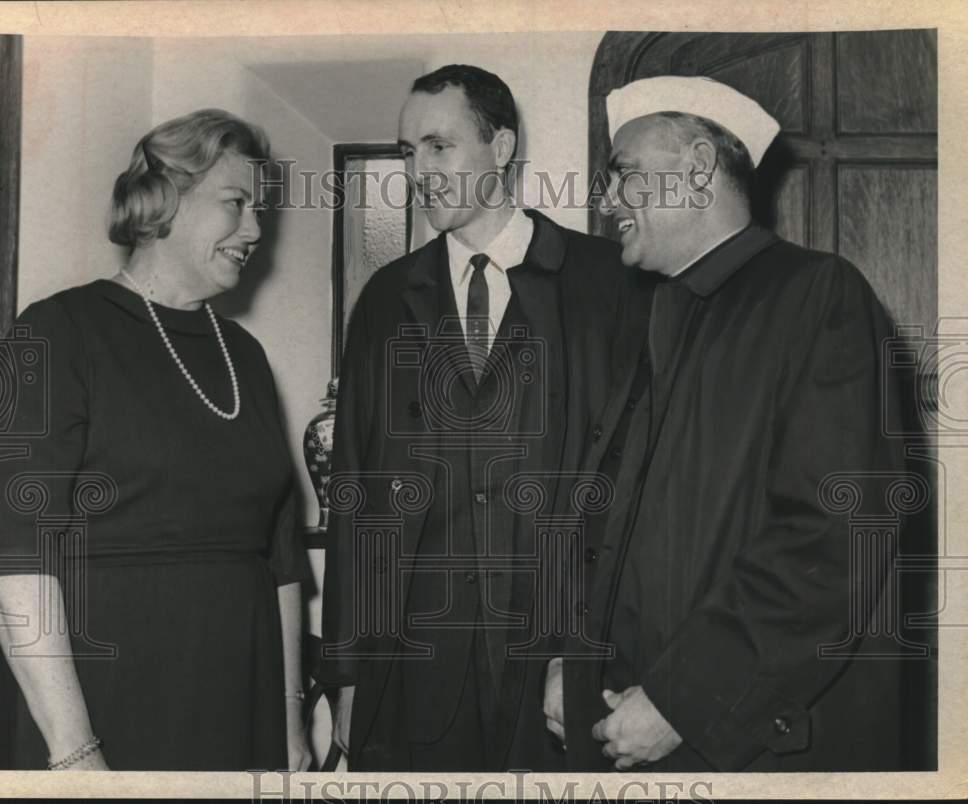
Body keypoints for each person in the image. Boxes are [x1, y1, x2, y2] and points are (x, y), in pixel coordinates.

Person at [544, 76, 910, 771]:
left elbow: (831, 540)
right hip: (627, 726)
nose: (605, 201)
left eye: (622, 175)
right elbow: (600, 529)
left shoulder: (818, 296)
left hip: (737, 744)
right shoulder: (649, 316)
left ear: (699, 165)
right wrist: (570, 664)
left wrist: (685, 700)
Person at [318, 64, 628, 771]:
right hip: (417, 672)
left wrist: (600, 657)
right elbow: (355, 498)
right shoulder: (386, 300)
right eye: (407, 151)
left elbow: (634, 489)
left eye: (439, 146)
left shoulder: (607, 283)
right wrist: (345, 675)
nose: (419, 170)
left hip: (560, 662)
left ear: (502, 146)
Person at [0, 109, 311, 771]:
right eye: (235, 204)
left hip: (239, 705)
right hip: (108, 706)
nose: (254, 230)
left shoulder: (245, 355)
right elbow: (16, 560)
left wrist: (289, 716)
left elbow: (282, 563)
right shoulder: (58, 332)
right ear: (165, 199)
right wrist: (76, 753)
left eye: (261, 210)